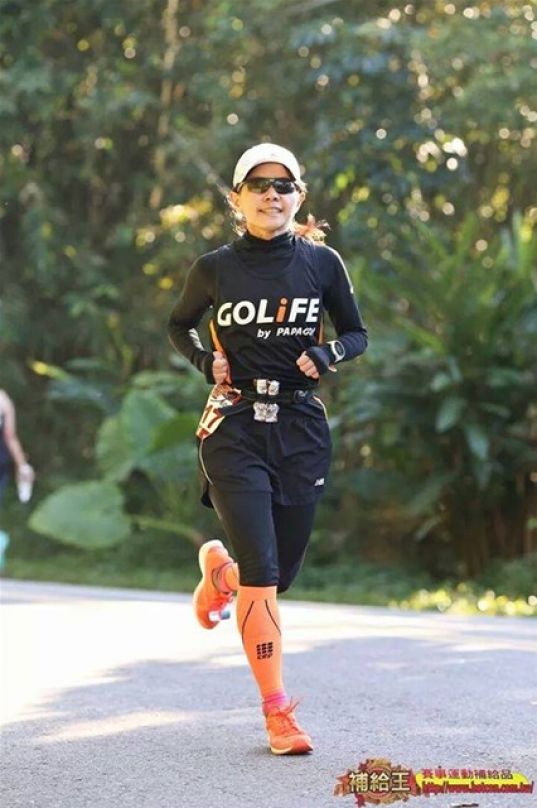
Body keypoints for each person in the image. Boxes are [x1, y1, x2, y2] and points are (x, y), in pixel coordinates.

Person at [168, 143, 368, 755]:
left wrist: (328, 353)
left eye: (283, 185)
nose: (271, 194)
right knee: (264, 572)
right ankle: (278, 712)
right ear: (238, 198)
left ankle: (221, 574)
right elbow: (179, 324)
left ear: (298, 196)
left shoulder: (322, 264)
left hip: (300, 426)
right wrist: (204, 360)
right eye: (258, 184)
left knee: (281, 573)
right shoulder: (214, 268)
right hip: (234, 426)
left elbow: (356, 333)